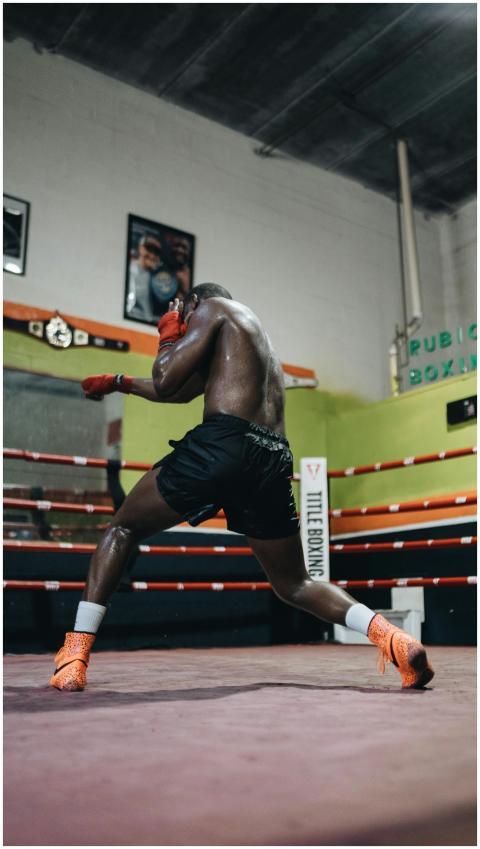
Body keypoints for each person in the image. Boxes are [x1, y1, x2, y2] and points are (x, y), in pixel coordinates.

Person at [50, 283, 434, 692]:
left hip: (225, 444)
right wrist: (118, 381)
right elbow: (178, 392)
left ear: (195, 303)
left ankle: (74, 654)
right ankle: (392, 638)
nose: (184, 321)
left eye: (185, 312)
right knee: (296, 584)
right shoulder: (253, 342)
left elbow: (164, 378)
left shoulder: (211, 308)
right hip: (270, 457)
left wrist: (167, 330)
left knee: (122, 529)